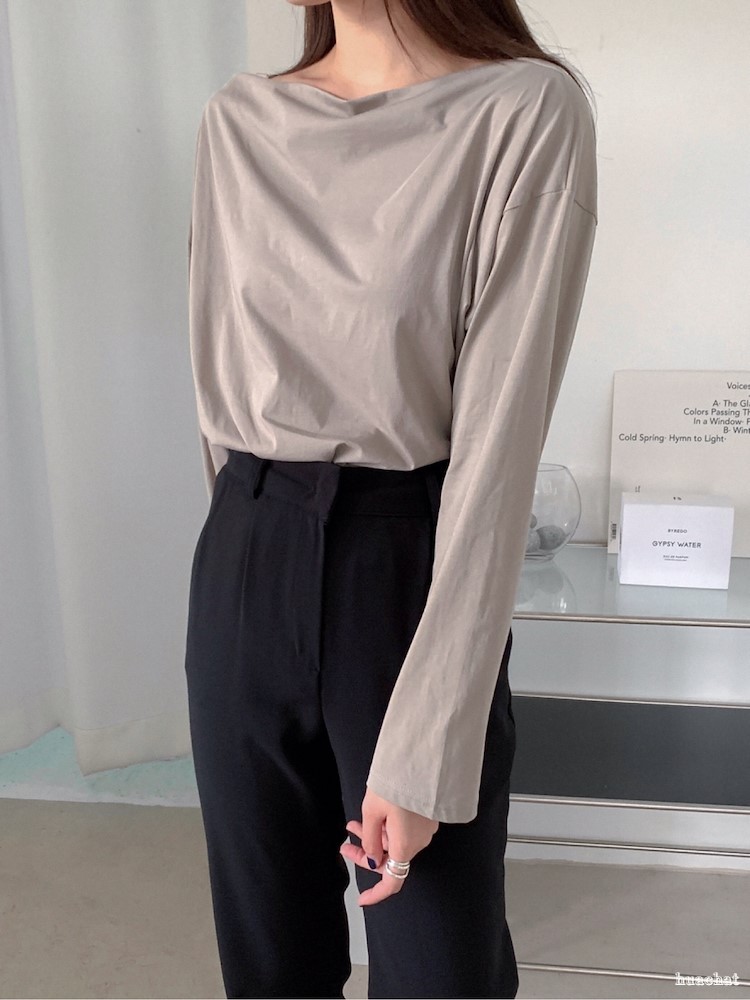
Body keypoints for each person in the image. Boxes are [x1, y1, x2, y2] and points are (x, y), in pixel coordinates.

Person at [184, 1, 598, 997]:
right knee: (269, 966)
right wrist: (246, 562)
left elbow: (499, 444)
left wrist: (428, 745)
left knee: (438, 970)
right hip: (246, 545)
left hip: (406, 562)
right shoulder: (240, 120)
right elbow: (215, 377)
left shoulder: (522, 110)